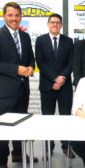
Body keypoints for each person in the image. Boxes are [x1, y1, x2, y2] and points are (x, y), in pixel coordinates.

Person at [0, 2, 37, 168]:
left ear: (21, 17)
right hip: (4, 92)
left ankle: (18, 153)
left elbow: (31, 59)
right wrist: (16, 69)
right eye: (11, 15)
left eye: (17, 15)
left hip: (22, 90)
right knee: (3, 130)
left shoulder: (24, 37)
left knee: (21, 123)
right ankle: (2, 163)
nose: (14, 18)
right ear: (4, 16)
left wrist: (30, 68)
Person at [35, 13, 75, 158]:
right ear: (48, 24)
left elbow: (71, 63)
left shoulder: (68, 41)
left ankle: (66, 146)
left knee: (65, 118)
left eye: (58, 23)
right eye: (52, 22)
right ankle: (48, 147)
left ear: (61, 25)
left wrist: (61, 78)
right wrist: (54, 79)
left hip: (64, 87)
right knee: (48, 119)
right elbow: (40, 63)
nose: (55, 25)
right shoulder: (40, 40)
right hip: (47, 86)